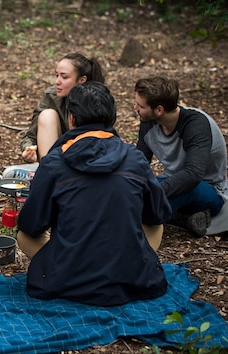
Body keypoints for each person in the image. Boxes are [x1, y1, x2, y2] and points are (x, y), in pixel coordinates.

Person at [17, 82, 170, 306]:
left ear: (72, 119)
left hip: (67, 279)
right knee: (156, 224)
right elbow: (159, 213)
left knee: (23, 234)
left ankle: (67, 266)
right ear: (112, 118)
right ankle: (129, 263)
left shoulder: (54, 162)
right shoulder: (135, 158)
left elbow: (31, 224)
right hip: (133, 279)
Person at [134, 76, 228, 237]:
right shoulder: (148, 121)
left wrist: (153, 192)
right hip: (172, 183)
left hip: (208, 190)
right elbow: (140, 163)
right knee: (137, 188)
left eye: (140, 106)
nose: (135, 107)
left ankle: (145, 216)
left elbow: (193, 175)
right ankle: (183, 219)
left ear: (159, 110)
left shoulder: (196, 124)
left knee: (152, 199)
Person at [20, 53, 105, 163]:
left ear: (82, 80)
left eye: (64, 77)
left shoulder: (97, 99)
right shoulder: (52, 96)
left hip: (89, 158)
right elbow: (30, 136)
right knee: (47, 115)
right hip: (57, 158)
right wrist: (28, 150)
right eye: (57, 75)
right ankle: (49, 170)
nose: (57, 82)